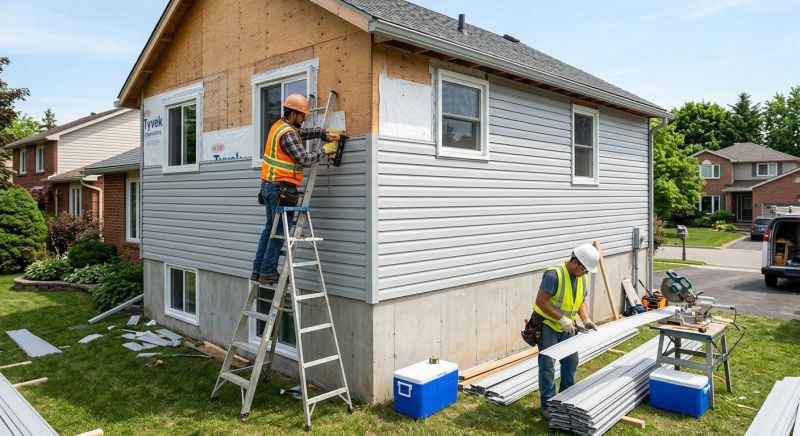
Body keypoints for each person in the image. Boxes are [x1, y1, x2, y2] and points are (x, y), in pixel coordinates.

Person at [251, 94, 340, 286]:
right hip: (280, 189)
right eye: (302, 116)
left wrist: (322, 134)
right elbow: (306, 159)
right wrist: (326, 149)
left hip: (269, 186)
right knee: (280, 232)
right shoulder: (288, 133)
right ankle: (267, 272)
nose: (304, 119)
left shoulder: (279, 127)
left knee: (269, 230)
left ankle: (258, 270)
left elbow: (301, 134)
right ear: (292, 114)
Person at [533, 243, 600, 420]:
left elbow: (580, 301)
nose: (586, 273)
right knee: (547, 366)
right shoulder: (553, 275)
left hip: (568, 327)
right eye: (585, 269)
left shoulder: (582, 278)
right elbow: (541, 301)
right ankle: (547, 404)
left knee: (571, 362)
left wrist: (585, 319)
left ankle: (565, 400)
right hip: (548, 326)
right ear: (576, 262)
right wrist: (560, 319)